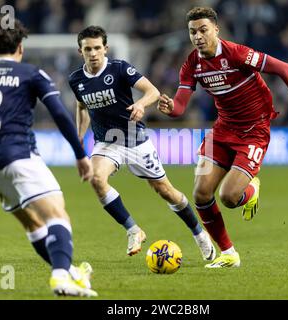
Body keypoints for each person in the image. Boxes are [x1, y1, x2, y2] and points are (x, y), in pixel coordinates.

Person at [158, 7, 288, 268]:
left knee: (229, 197)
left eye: (203, 30)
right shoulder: (192, 64)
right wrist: (171, 108)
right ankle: (229, 253)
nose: (198, 36)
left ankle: (250, 190)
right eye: (193, 32)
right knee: (201, 193)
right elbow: (181, 106)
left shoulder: (237, 53)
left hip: (254, 130)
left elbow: (284, 68)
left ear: (216, 29)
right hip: (222, 130)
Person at [0, 15, 97, 297]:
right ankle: (60, 277)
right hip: (20, 155)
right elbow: (60, 113)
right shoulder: (32, 74)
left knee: (33, 223)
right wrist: (80, 154)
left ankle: (71, 272)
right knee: (57, 215)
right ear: (20, 46)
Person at [68, 26, 215, 261]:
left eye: (97, 48)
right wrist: (78, 139)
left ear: (105, 49)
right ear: (80, 51)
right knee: (96, 179)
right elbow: (82, 107)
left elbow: (153, 91)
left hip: (134, 139)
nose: (93, 53)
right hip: (107, 141)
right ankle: (133, 230)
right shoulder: (76, 79)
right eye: (88, 49)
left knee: (165, 191)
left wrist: (140, 105)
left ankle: (199, 234)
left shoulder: (119, 68)